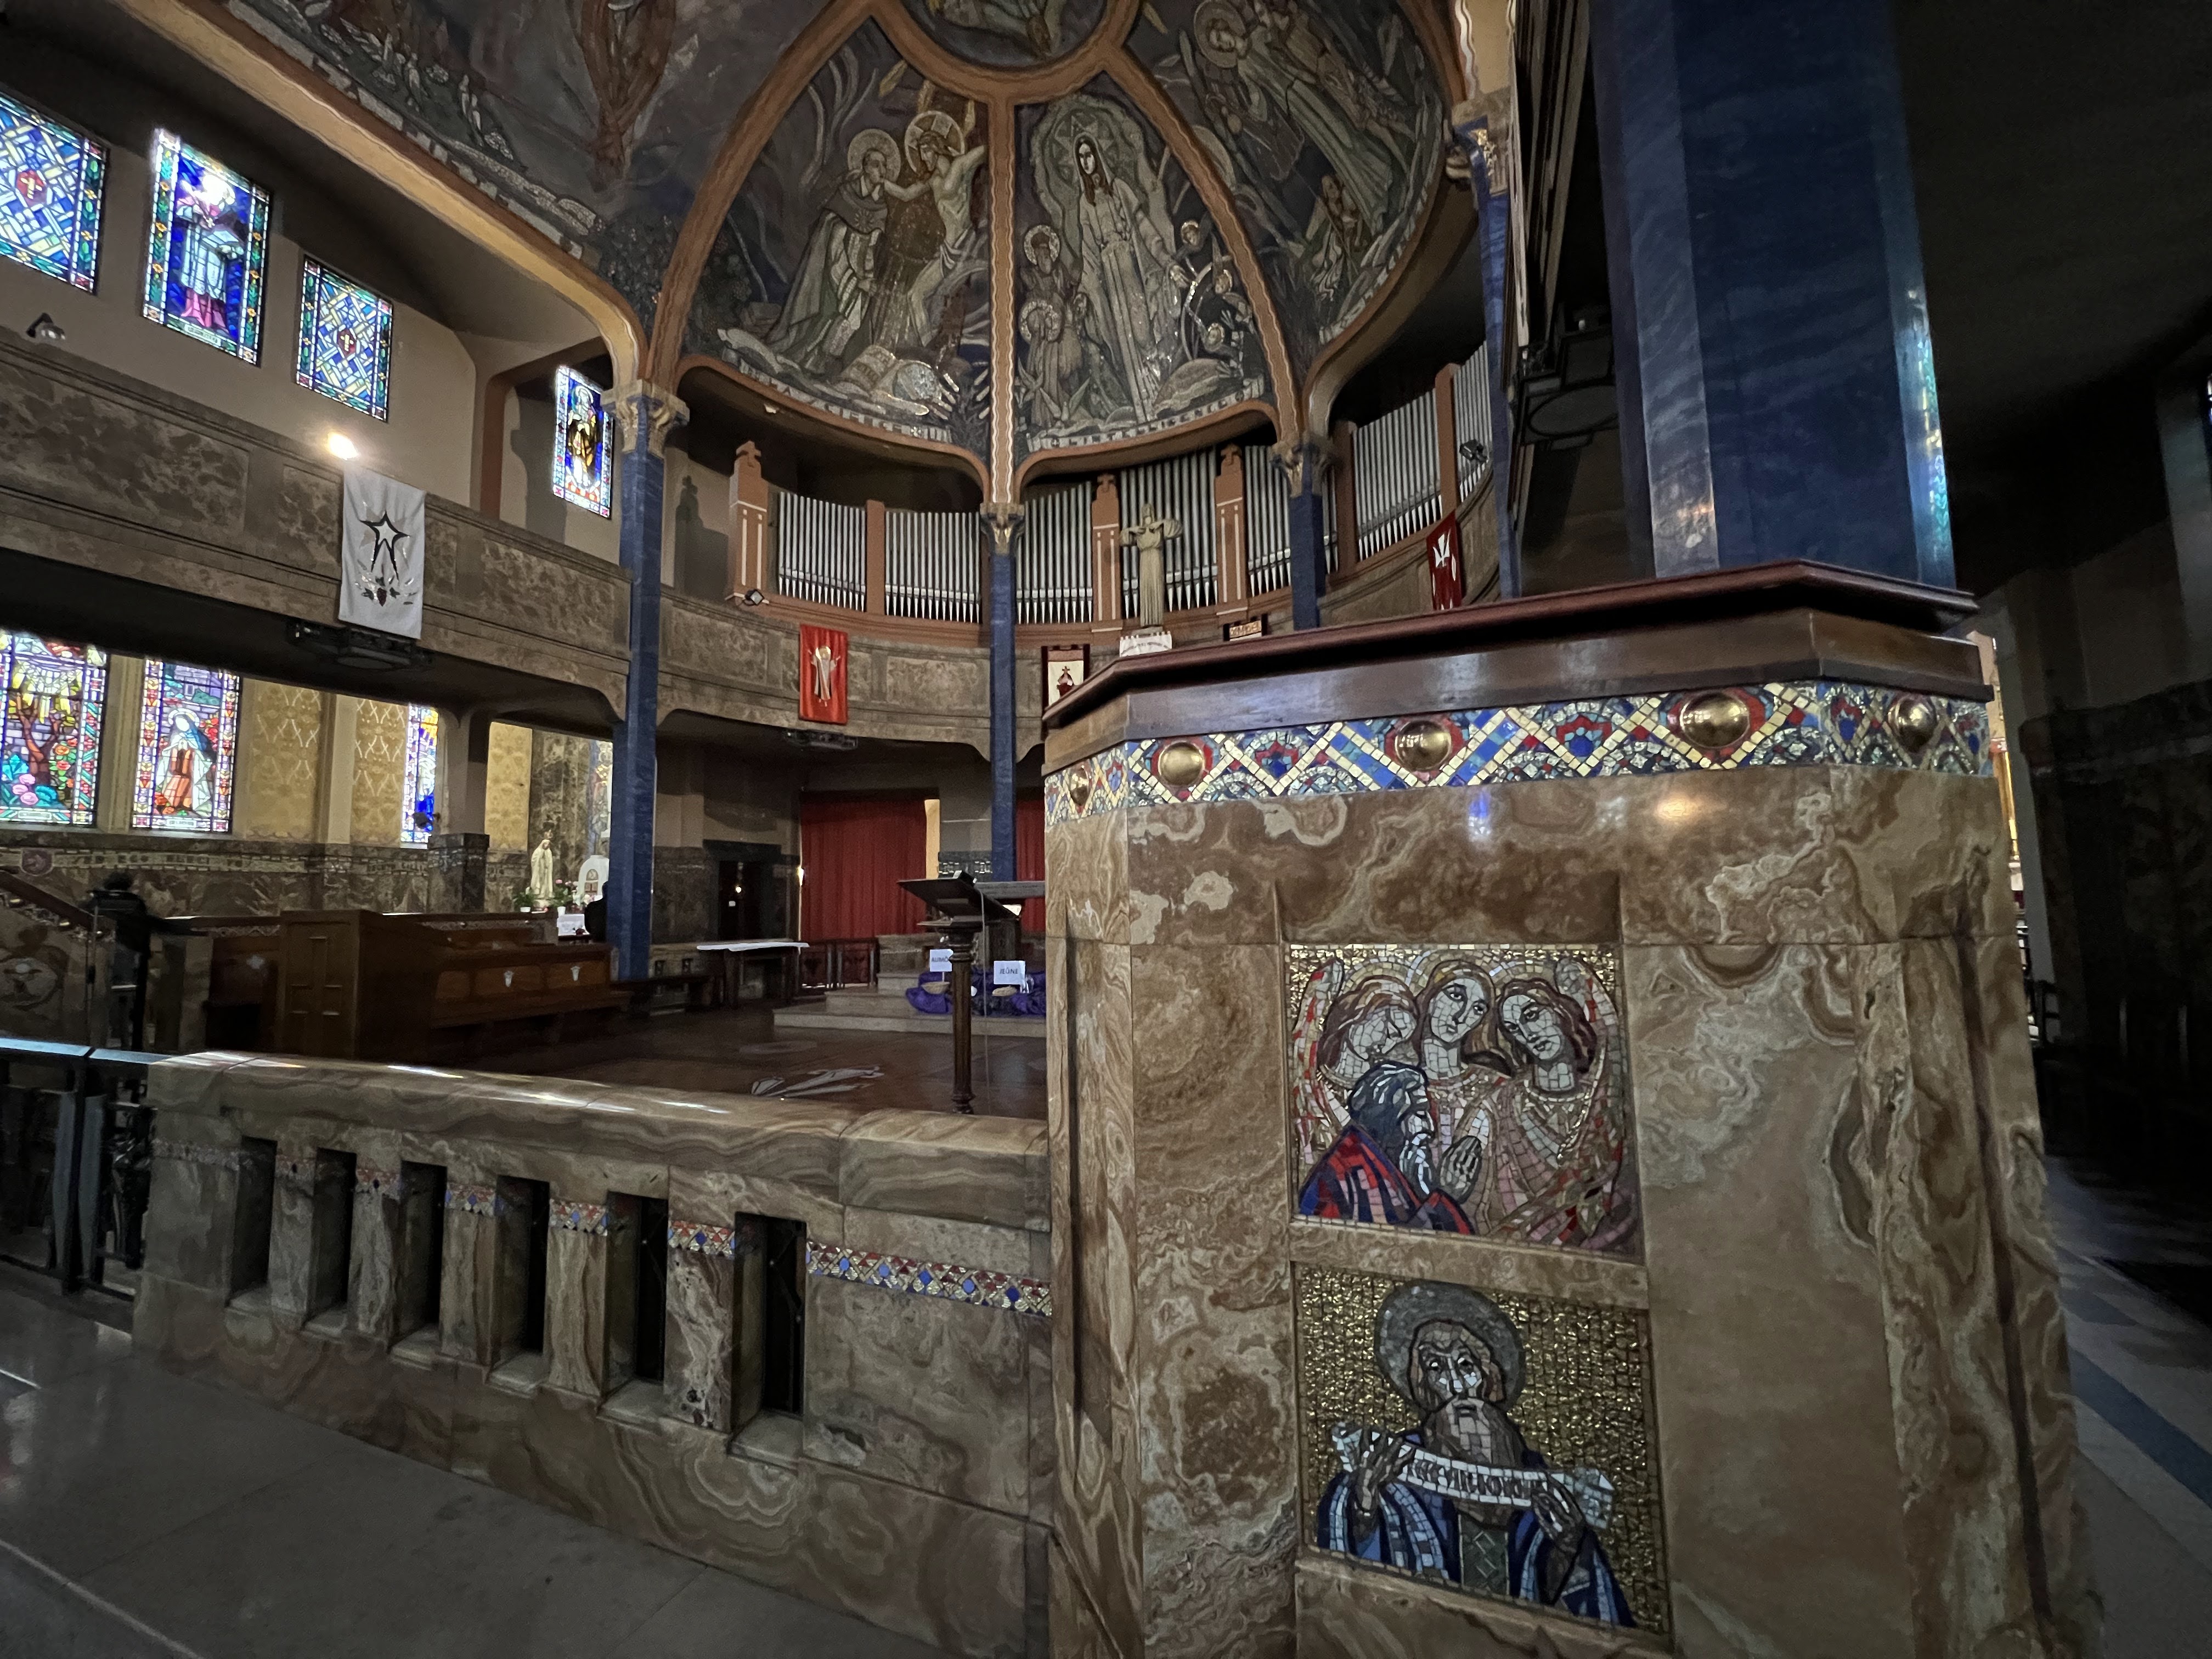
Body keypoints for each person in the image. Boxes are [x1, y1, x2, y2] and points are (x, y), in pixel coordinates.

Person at [1318, 1281, 1635, 1623]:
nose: (1456, 1386)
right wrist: (1364, 1509)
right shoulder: (1394, 1463)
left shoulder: (1534, 1475)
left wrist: (1569, 1545)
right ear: (1422, 1387)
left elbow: (1556, 1594)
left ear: (1489, 1379)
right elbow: (1355, 1582)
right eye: (1436, 1368)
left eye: (1466, 1365)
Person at [1472, 977, 1638, 1253]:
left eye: (1532, 1015)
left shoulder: (1603, 1098)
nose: (1528, 1033)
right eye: (1515, 1029)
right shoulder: (1501, 1104)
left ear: (1560, 1012)